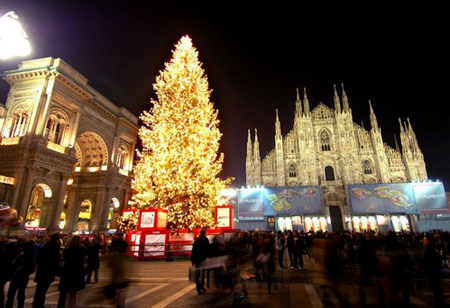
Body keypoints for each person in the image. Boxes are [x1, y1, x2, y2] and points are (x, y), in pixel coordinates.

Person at [57, 235, 87, 308]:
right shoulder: (82, 249)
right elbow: (86, 257)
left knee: (63, 292)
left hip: (67, 271)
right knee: (73, 293)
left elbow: (63, 259)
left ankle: (61, 306)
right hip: (77, 272)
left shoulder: (67, 249)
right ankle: (71, 306)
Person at [33, 233, 61, 308]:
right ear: (57, 239)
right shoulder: (55, 246)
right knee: (43, 289)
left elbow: (38, 257)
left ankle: (36, 304)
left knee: (40, 289)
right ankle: (39, 305)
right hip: (48, 271)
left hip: (42, 270)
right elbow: (56, 260)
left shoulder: (45, 245)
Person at [5, 241, 35, 308]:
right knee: (19, 294)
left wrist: (15, 272)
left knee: (13, 294)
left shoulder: (24, 256)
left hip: (19, 276)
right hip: (22, 277)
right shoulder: (27, 256)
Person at [191, 229, 209, 294]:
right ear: (200, 234)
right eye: (202, 234)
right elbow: (193, 251)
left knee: (203, 274)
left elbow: (208, 249)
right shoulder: (197, 241)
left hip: (203, 259)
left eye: (204, 234)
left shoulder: (206, 240)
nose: (203, 235)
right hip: (198, 260)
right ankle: (198, 288)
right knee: (198, 274)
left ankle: (201, 286)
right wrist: (193, 260)